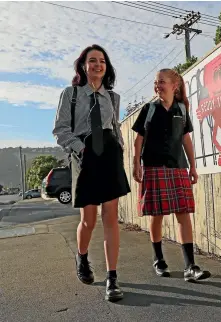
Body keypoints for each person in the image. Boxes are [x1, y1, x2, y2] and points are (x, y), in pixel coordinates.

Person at [53, 44, 131, 302]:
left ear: (106, 67)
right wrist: (81, 149)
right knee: (88, 219)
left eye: (102, 61)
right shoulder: (71, 94)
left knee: (111, 217)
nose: (98, 65)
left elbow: (114, 126)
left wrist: (119, 147)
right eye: (93, 60)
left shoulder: (113, 97)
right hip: (84, 156)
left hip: (109, 156)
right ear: (83, 66)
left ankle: (112, 278)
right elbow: (61, 130)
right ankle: (82, 256)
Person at [132, 68, 211, 282]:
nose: (157, 86)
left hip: (178, 167)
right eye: (156, 82)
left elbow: (186, 139)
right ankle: (159, 260)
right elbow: (139, 139)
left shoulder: (182, 109)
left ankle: (190, 266)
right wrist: (136, 163)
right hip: (153, 167)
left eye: (161, 82)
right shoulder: (149, 109)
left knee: (183, 215)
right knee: (156, 215)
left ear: (174, 85)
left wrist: (193, 167)